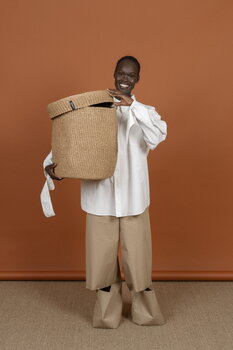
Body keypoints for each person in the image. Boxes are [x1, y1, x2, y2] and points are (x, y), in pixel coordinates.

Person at [42, 55, 167, 328]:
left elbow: (157, 136)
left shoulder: (145, 111)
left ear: (137, 79)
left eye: (131, 75)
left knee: (139, 259)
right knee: (103, 261)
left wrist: (133, 107)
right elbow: (73, 138)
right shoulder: (94, 107)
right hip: (100, 199)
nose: (125, 78)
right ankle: (107, 317)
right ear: (114, 74)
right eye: (121, 73)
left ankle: (146, 314)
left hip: (134, 198)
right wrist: (52, 165)